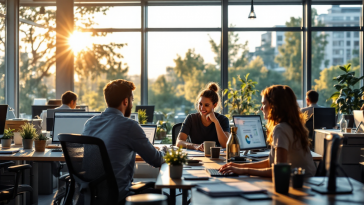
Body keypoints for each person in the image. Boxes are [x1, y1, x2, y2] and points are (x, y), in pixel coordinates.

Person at [82, 79, 166, 202]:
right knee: (165, 196)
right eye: (131, 100)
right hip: (118, 196)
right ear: (126, 101)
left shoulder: (90, 123)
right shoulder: (129, 125)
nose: (132, 104)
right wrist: (164, 150)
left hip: (90, 197)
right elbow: (156, 160)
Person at [219, 85, 316, 177]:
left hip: (300, 184)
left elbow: (278, 170)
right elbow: (270, 162)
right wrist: (238, 166)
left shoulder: (281, 129)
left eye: (264, 104)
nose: (261, 108)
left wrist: (244, 170)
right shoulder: (290, 126)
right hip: (306, 182)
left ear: (274, 106)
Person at [176, 82, 230, 151]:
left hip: (216, 158)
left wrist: (216, 122)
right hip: (195, 158)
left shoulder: (223, 120)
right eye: (200, 104)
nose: (202, 108)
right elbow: (179, 142)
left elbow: (226, 145)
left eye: (206, 105)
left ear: (215, 105)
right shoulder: (191, 118)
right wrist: (195, 146)